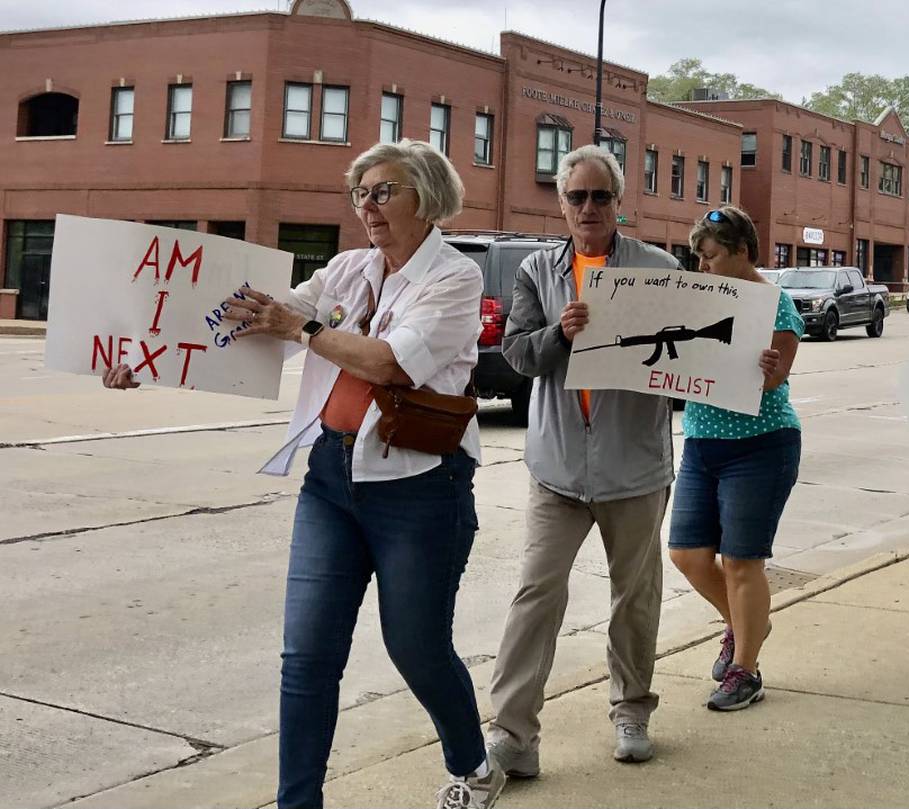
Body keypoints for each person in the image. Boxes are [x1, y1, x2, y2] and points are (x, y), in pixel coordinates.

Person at [103, 139, 503, 809]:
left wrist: (305, 326)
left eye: (384, 191)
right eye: (361, 193)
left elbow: (391, 363)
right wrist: (151, 357)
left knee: (416, 645)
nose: (368, 206)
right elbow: (251, 319)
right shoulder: (346, 270)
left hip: (420, 490)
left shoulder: (454, 278)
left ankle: (473, 762)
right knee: (307, 657)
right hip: (331, 480)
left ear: (427, 198)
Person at [488, 145, 679, 776]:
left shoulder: (656, 268)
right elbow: (517, 354)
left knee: (636, 596)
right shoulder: (537, 271)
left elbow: (685, 367)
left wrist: (737, 368)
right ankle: (514, 735)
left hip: (634, 467)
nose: (589, 207)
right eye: (577, 197)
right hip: (558, 469)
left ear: (619, 203)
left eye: (601, 196)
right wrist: (558, 334)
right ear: (561, 203)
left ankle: (632, 711)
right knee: (536, 594)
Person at [667, 206, 803, 711]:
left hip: (761, 444)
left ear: (741, 252)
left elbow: (772, 379)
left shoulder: (776, 306)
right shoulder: (699, 300)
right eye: (698, 258)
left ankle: (745, 670)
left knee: (742, 562)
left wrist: (768, 367)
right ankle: (748, 622)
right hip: (702, 442)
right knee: (686, 554)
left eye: (710, 256)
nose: (702, 267)